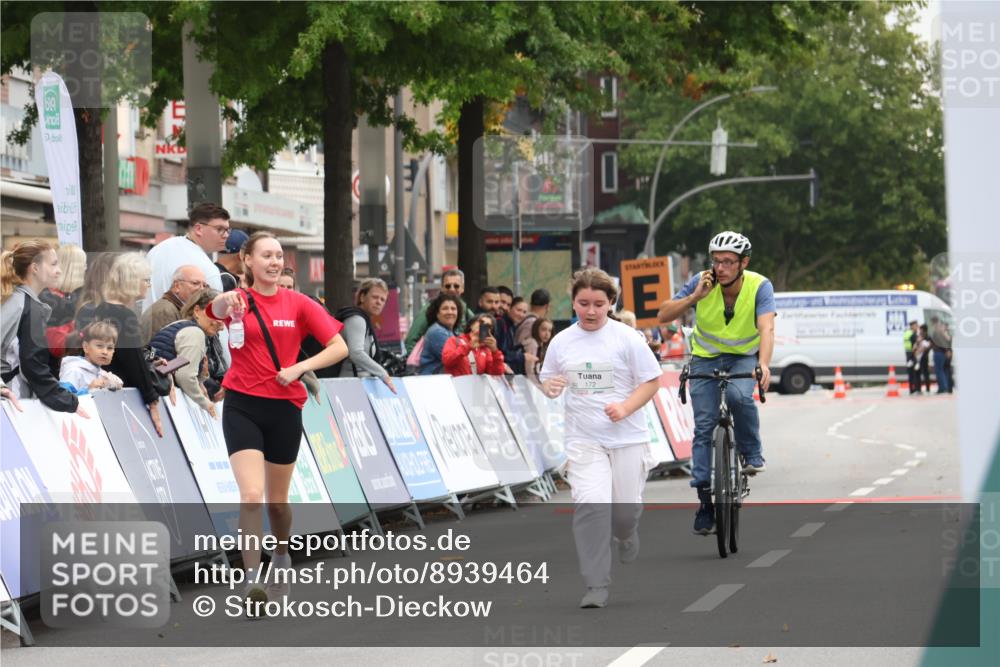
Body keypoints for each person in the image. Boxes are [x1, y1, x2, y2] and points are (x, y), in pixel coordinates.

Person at [206, 231, 347, 615]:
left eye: (279, 256)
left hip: (285, 407)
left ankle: (282, 553)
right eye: (266, 255)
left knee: (277, 504)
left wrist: (300, 367)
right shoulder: (238, 302)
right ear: (246, 260)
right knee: (251, 494)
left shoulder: (298, 302)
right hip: (242, 404)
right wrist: (224, 298)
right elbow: (213, 311)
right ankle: (252, 580)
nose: (274, 262)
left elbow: (340, 347)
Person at [539, 268, 662, 609]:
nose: (590, 311)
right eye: (583, 303)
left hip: (627, 438)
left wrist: (625, 407)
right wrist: (550, 387)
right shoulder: (562, 341)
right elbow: (548, 380)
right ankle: (596, 585)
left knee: (623, 514)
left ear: (611, 303)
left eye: (598, 304)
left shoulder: (627, 339)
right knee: (591, 507)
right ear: (573, 303)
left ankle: (626, 534)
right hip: (584, 439)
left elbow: (651, 381)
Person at [657, 231, 775, 536]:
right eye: (716, 261)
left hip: (743, 358)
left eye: (728, 262)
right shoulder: (701, 281)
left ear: (743, 263)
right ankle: (705, 502)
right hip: (705, 358)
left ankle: (751, 453)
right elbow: (663, 315)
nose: (720, 267)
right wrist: (695, 297)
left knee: (739, 397)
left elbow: (767, 328)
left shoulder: (760, 286)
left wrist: (763, 364)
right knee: (705, 424)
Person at [76, 252, 167, 436]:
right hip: (121, 396)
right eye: (146, 280)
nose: (148, 285)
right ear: (132, 281)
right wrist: (153, 401)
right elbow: (134, 361)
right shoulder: (124, 315)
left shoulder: (101, 309)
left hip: (104, 390)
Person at [1, 240, 85, 415]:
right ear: (35, 268)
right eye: (53, 264)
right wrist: (69, 402)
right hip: (13, 402)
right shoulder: (29, 306)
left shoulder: (13, 299)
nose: (59, 270)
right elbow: (33, 365)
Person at [150, 289, 224, 417]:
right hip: (161, 397)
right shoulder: (195, 334)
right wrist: (205, 403)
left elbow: (177, 366)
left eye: (225, 317)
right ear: (197, 311)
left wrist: (202, 376)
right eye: (216, 313)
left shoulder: (181, 325)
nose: (221, 324)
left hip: (155, 390)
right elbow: (184, 376)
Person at [145, 202, 229, 304]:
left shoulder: (158, 249)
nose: (226, 235)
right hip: (179, 319)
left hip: (147, 318)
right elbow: (212, 314)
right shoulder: (207, 269)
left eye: (227, 230)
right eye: (220, 229)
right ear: (198, 229)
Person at [334, 278, 396, 392]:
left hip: (359, 387)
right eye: (375, 297)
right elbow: (356, 353)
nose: (379, 302)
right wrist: (383, 373)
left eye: (383, 300)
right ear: (362, 297)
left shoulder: (365, 320)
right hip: (348, 388)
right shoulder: (356, 319)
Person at [40, 243, 87, 372]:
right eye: (83, 264)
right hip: (56, 370)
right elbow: (57, 346)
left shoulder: (55, 295)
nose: (85, 268)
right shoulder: (54, 299)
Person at [404, 269, 473, 351]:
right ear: (442, 288)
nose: (452, 289)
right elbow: (410, 341)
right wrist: (421, 362)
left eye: (456, 286)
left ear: (462, 288)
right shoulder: (430, 309)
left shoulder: (466, 311)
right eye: (447, 286)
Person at [140, 265, 207, 343]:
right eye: (195, 283)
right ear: (177, 286)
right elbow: (159, 349)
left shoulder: (177, 308)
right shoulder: (164, 311)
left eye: (204, 285)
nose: (202, 289)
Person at [59, 320, 124, 394]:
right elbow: (62, 399)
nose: (105, 352)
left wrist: (115, 386)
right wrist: (89, 391)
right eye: (99, 346)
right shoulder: (74, 371)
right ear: (86, 347)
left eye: (110, 348)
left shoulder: (102, 374)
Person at [418, 293, 463, 375]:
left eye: (453, 309)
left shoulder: (455, 332)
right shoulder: (437, 332)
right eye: (445, 309)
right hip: (434, 383)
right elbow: (455, 360)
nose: (450, 312)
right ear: (437, 314)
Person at [524, 316, 553, 388]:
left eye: (549, 330)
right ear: (536, 329)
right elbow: (529, 372)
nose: (547, 334)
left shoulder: (542, 345)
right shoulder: (532, 344)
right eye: (543, 330)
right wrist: (540, 387)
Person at [913, 323, 932, 394]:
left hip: (924, 358)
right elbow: (914, 347)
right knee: (917, 373)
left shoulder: (928, 337)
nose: (920, 331)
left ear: (924, 330)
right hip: (917, 358)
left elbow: (929, 346)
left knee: (926, 374)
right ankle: (918, 389)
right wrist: (917, 343)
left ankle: (928, 389)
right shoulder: (918, 337)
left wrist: (923, 348)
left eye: (921, 329)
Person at [903, 320, 919, 394]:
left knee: (910, 372)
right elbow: (915, 345)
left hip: (908, 354)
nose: (917, 327)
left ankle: (911, 389)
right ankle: (915, 389)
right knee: (915, 372)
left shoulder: (906, 333)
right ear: (912, 326)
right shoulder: (913, 334)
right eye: (916, 326)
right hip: (913, 355)